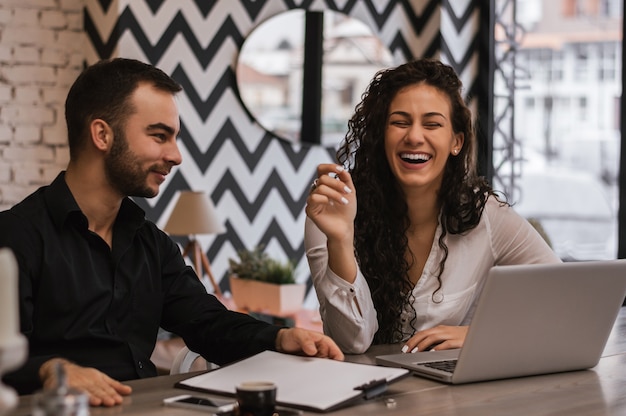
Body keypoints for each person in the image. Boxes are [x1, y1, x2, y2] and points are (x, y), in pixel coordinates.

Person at [0, 58, 343, 406]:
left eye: (174, 138)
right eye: (159, 135)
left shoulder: (152, 243)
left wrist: (281, 337)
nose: (176, 156)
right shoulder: (14, 238)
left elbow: (208, 323)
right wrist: (50, 370)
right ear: (102, 134)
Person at [304, 58, 561, 355]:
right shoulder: (332, 209)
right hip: (357, 392)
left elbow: (561, 296)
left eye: (432, 124)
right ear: (380, 136)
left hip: (450, 393)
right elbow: (352, 342)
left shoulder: (484, 215)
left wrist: (478, 335)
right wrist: (341, 240)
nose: (414, 137)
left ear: (456, 142)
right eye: (400, 122)